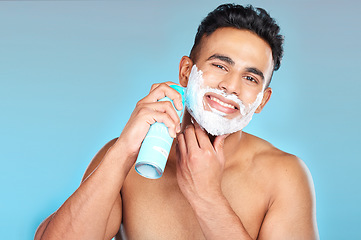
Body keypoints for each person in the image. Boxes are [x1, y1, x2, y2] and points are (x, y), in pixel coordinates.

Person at [35, 3, 319, 240]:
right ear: (186, 72)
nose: (231, 86)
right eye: (220, 65)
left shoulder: (284, 176)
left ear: (262, 100)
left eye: (250, 78)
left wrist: (207, 198)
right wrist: (121, 152)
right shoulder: (127, 163)